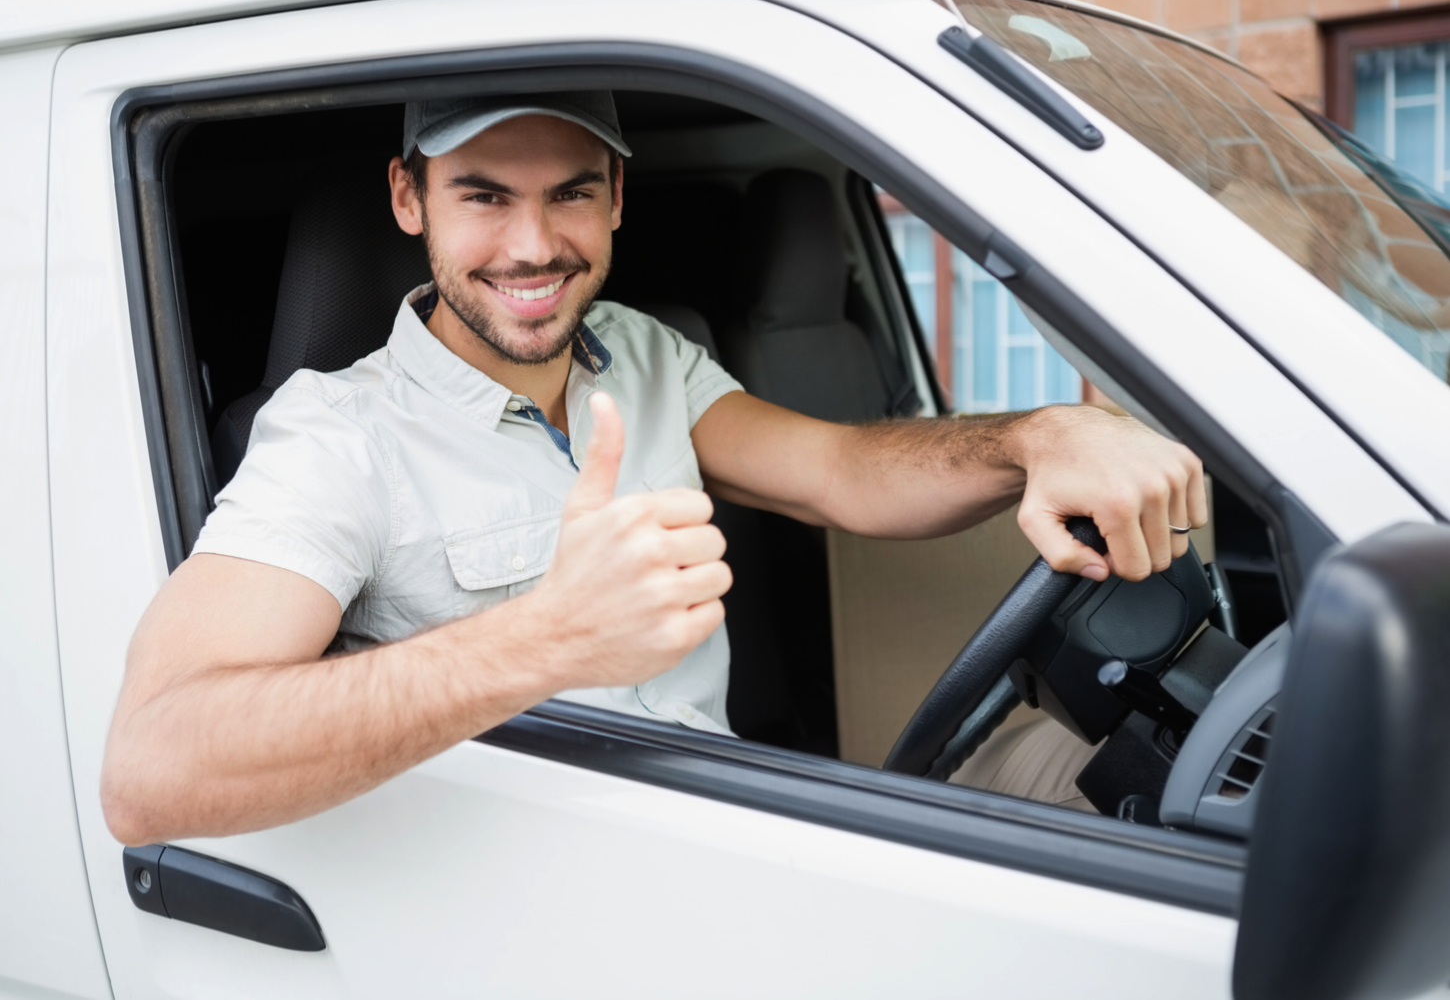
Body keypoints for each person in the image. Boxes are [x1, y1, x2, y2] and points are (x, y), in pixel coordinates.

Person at [100, 91, 1207, 845]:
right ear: (407, 199)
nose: (533, 244)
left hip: (741, 818)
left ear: (619, 197)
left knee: (1177, 798)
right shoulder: (335, 436)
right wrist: (543, 639)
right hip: (579, 898)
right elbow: (152, 767)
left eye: (570, 192)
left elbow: (839, 471)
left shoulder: (639, 349)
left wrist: (1033, 439)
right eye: (483, 195)